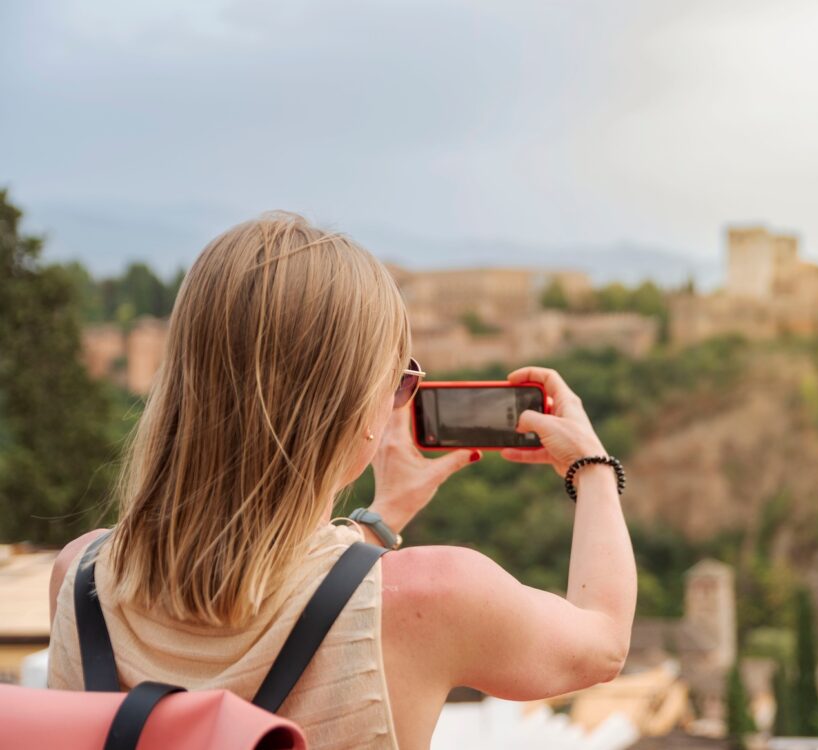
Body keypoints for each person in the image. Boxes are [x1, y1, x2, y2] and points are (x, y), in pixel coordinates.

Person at [45, 213, 637, 750]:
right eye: (400, 381)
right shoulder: (435, 597)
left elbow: (272, 591)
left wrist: (384, 517)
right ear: (354, 411)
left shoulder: (78, 577)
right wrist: (592, 470)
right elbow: (603, 642)